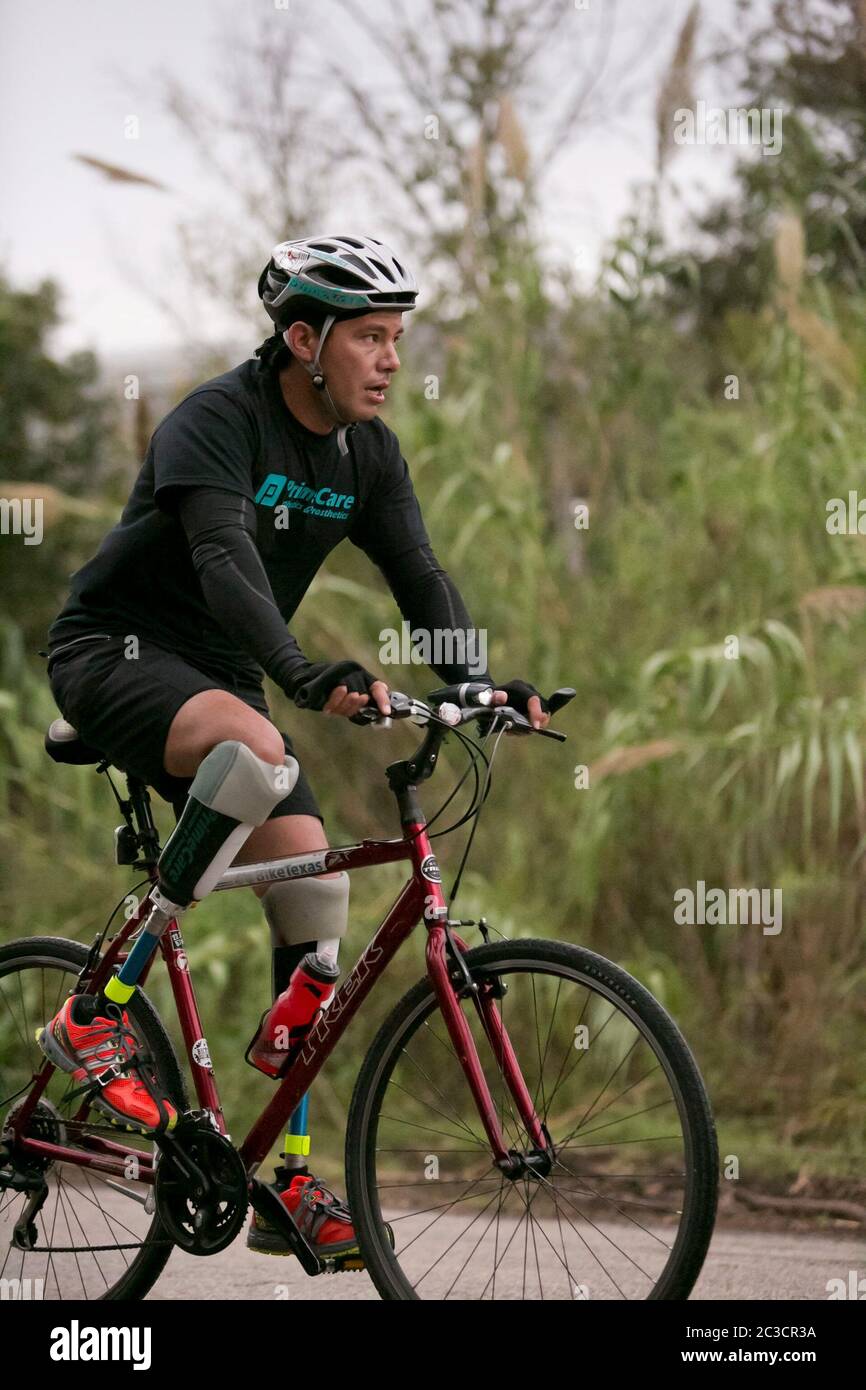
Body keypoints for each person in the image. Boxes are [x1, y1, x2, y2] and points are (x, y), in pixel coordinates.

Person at [38, 233, 552, 1265]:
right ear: (303, 338)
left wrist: (474, 683)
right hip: (116, 653)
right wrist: (308, 672)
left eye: (397, 337)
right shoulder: (216, 421)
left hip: (226, 678)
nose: (391, 359)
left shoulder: (368, 453)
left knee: (317, 895)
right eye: (370, 337)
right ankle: (97, 1011)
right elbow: (226, 563)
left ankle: (291, 1175)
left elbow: (419, 573)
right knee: (259, 746)